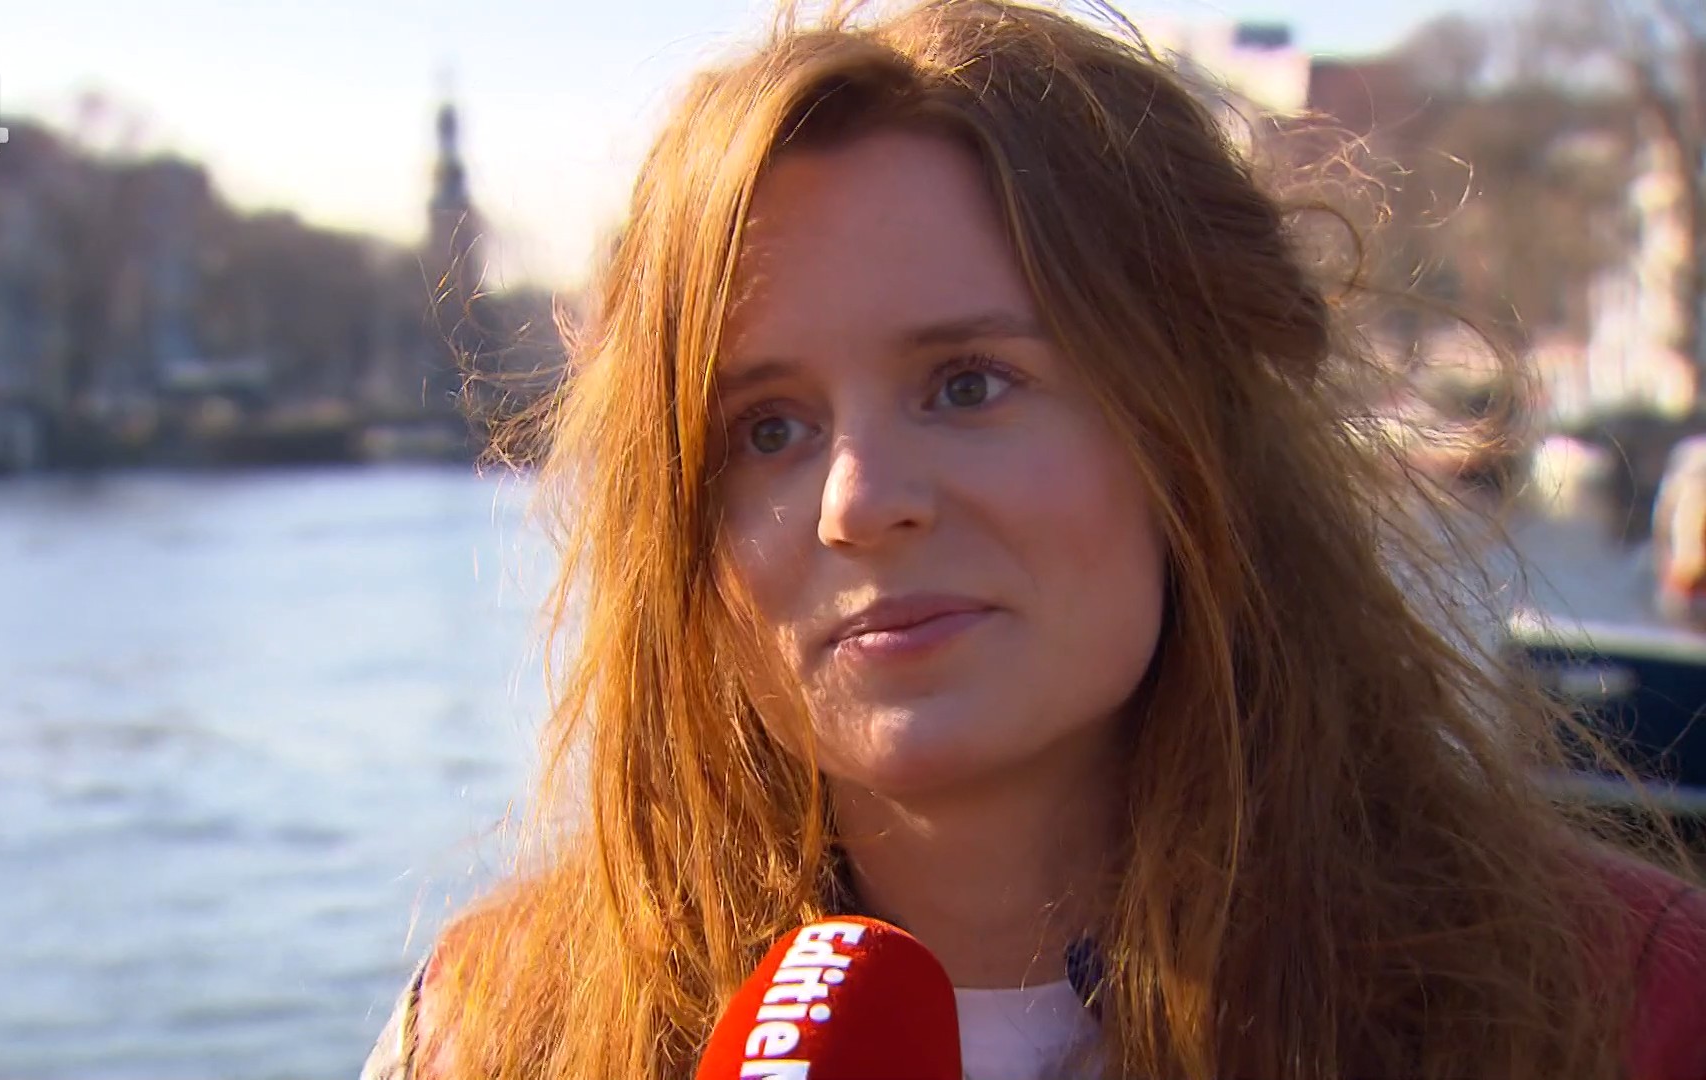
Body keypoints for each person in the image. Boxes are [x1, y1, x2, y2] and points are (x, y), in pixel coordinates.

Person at [363, 1, 1706, 1077]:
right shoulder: (499, 1033)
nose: (858, 501)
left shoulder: (1621, 1005)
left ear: (1190, 430)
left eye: (968, 385)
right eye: (764, 428)